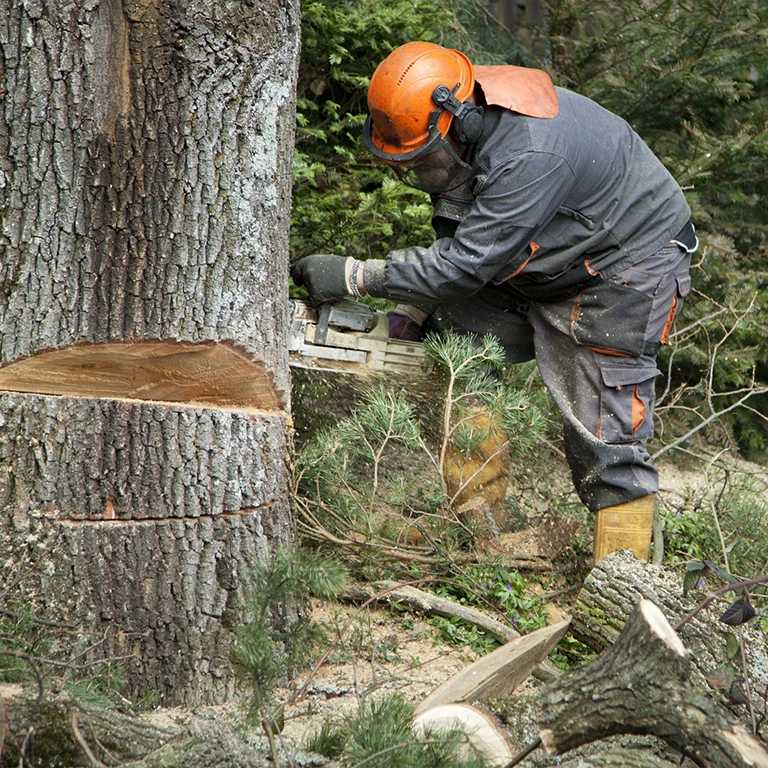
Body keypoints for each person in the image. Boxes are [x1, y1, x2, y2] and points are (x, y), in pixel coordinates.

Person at [291, 41, 697, 562]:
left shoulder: (530, 154)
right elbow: (460, 234)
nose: (416, 172)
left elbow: (467, 262)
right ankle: (482, 536)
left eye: (422, 158)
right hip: (547, 250)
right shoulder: (449, 109)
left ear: (462, 124)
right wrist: (417, 306)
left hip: (625, 267)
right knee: (461, 349)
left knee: (605, 428)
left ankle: (624, 582)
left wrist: (358, 276)